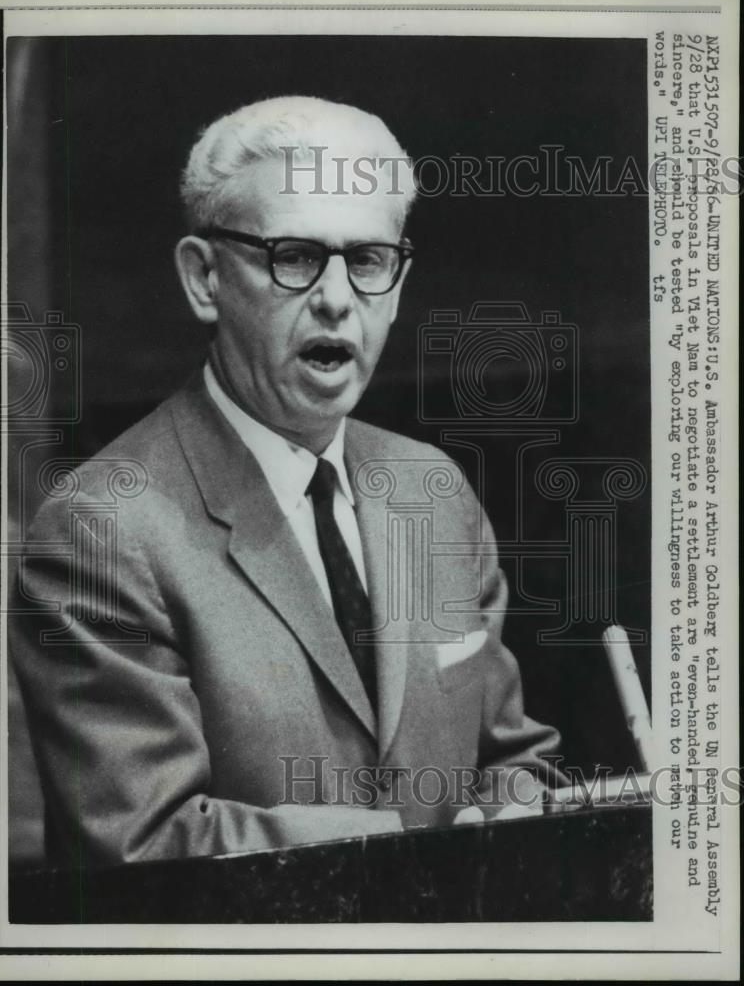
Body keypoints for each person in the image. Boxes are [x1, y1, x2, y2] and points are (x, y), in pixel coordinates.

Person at [11, 96, 566, 868]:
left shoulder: (432, 492)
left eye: (368, 261)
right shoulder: (105, 528)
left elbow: (514, 761)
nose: (338, 298)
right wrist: (422, 847)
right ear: (204, 279)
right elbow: (141, 848)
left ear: (399, 284)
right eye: (296, 256)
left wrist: (523, 806)